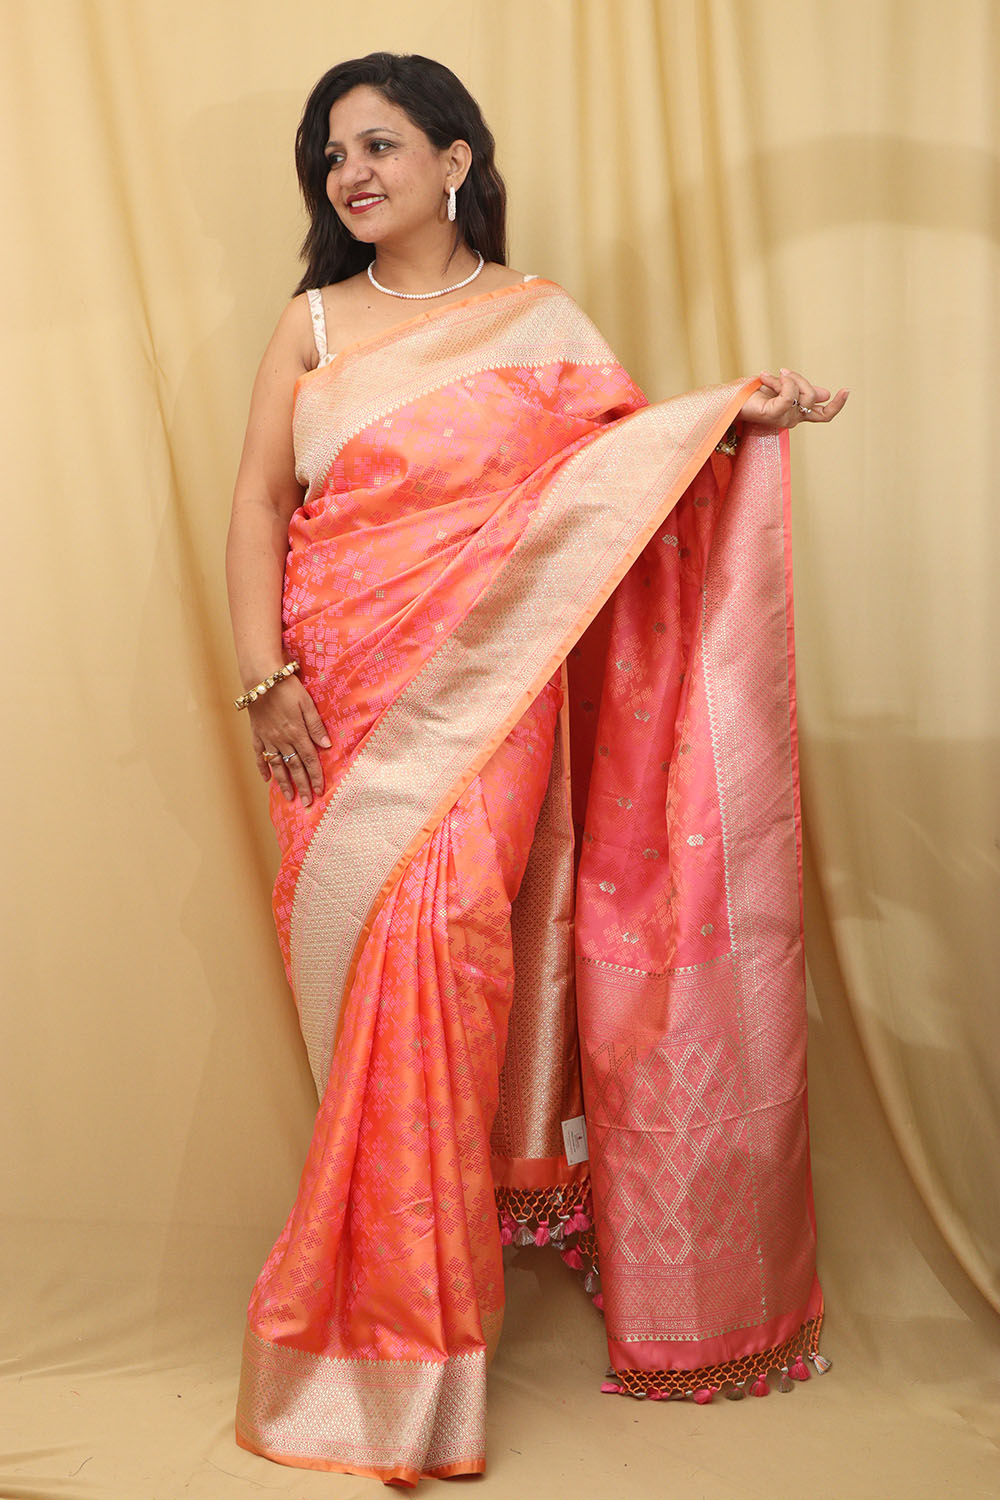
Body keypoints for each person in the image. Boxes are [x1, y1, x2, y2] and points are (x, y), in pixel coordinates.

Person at [226, 50, 847, 1487]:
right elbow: (260, 502)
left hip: (484, 700)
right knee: (376, 989)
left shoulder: (541, 322)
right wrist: (264, 678)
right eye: (332, 157)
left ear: (455, 159)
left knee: (448, 962)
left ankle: (410, 1357)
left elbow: (619, 482)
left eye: (380, 145)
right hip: (333, 708)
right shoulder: (311, 323)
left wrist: (731, 420)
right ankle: (377, 1349)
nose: (352, 175)